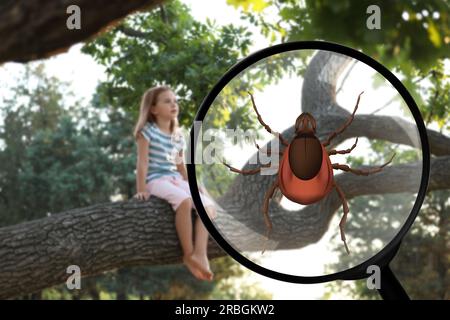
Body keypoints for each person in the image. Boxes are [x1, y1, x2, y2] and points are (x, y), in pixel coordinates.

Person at [133, 85, 217, 281]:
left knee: (207, 205)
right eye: (167, 101)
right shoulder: (148, 132)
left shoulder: (178, 135)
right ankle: (188, 253)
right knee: (185, 201)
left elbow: (180, 166)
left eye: (175, 101)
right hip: (156, 180)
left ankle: (200, 253)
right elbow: (142, 162)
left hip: (176, 179)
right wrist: (141, 189)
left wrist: (195, 185)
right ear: (154, 109)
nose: (173, 104)